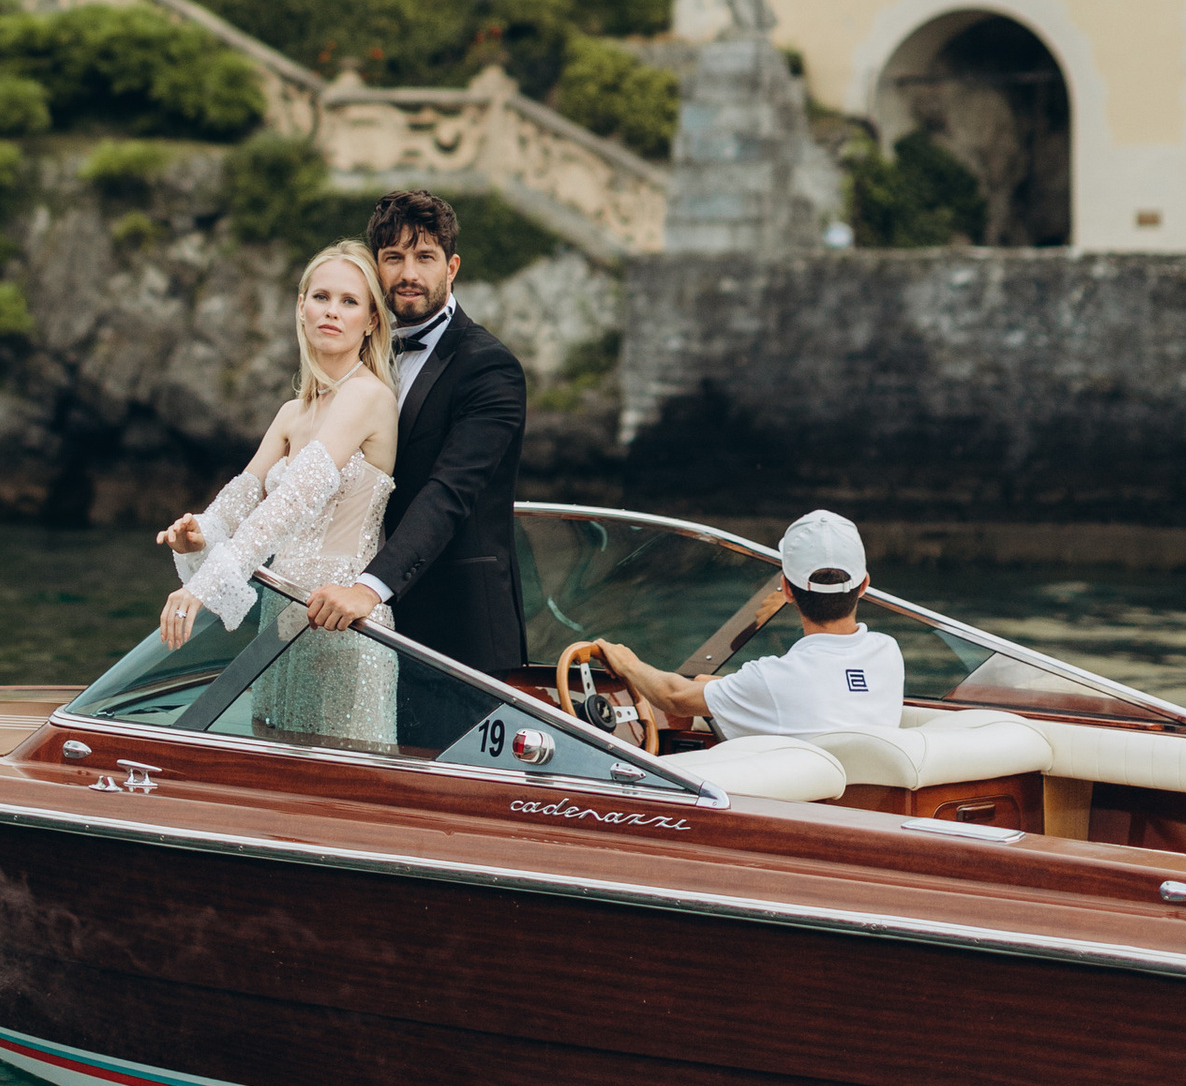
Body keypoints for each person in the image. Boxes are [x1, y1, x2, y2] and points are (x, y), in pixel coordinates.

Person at [303, 187, 528, 748]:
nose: (409, 273)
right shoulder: (355, 357)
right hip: (351, 622)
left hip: (455, 630)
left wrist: (369, 587)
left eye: (425, 257)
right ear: (375, 266)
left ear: (451, 268)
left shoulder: (490, 368)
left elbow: (448, 493)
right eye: (394, 257)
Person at [156, 242, 399, 745]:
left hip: (345, 627)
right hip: (282, 627)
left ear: (372, 321)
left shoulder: (368, 395)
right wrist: (197, 535)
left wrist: (203, 589)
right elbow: (240, 502)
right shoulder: (292, 413)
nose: (332, 311)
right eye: (321, 296)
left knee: (338, 791)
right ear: (301, 308)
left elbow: (293, 501)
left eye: (349, 301)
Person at [597, 509, 903, 764]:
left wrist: (627, 663)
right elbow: (824, 685)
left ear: (786, 589)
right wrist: (721, 687)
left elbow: (672, 697)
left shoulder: (772, 680)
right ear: (864, 585)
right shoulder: (887, 653)